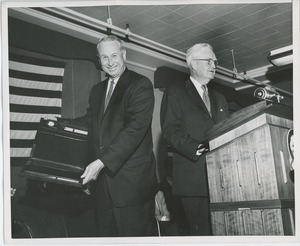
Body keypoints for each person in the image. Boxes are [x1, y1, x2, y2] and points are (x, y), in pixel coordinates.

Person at [73, 35, 158, 237]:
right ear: (99, 60)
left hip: (132, 186)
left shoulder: (140, 84)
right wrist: (58, 123)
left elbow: (134, 130)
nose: (110, 62)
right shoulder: (97, 90)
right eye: (104, 57)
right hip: (103, 186)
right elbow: (89, 122)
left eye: (114, 55)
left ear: (124, 55)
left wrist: (100, 162)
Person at [160, 43, 229, 235]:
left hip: (223, 179)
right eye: (208, 60)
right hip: (193, 179)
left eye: (214, 61)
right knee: (202, 233)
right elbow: (170, 130)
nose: (214, 64)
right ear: (193, 64)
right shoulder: (175, 92)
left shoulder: (220, 97)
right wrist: (197, 147)